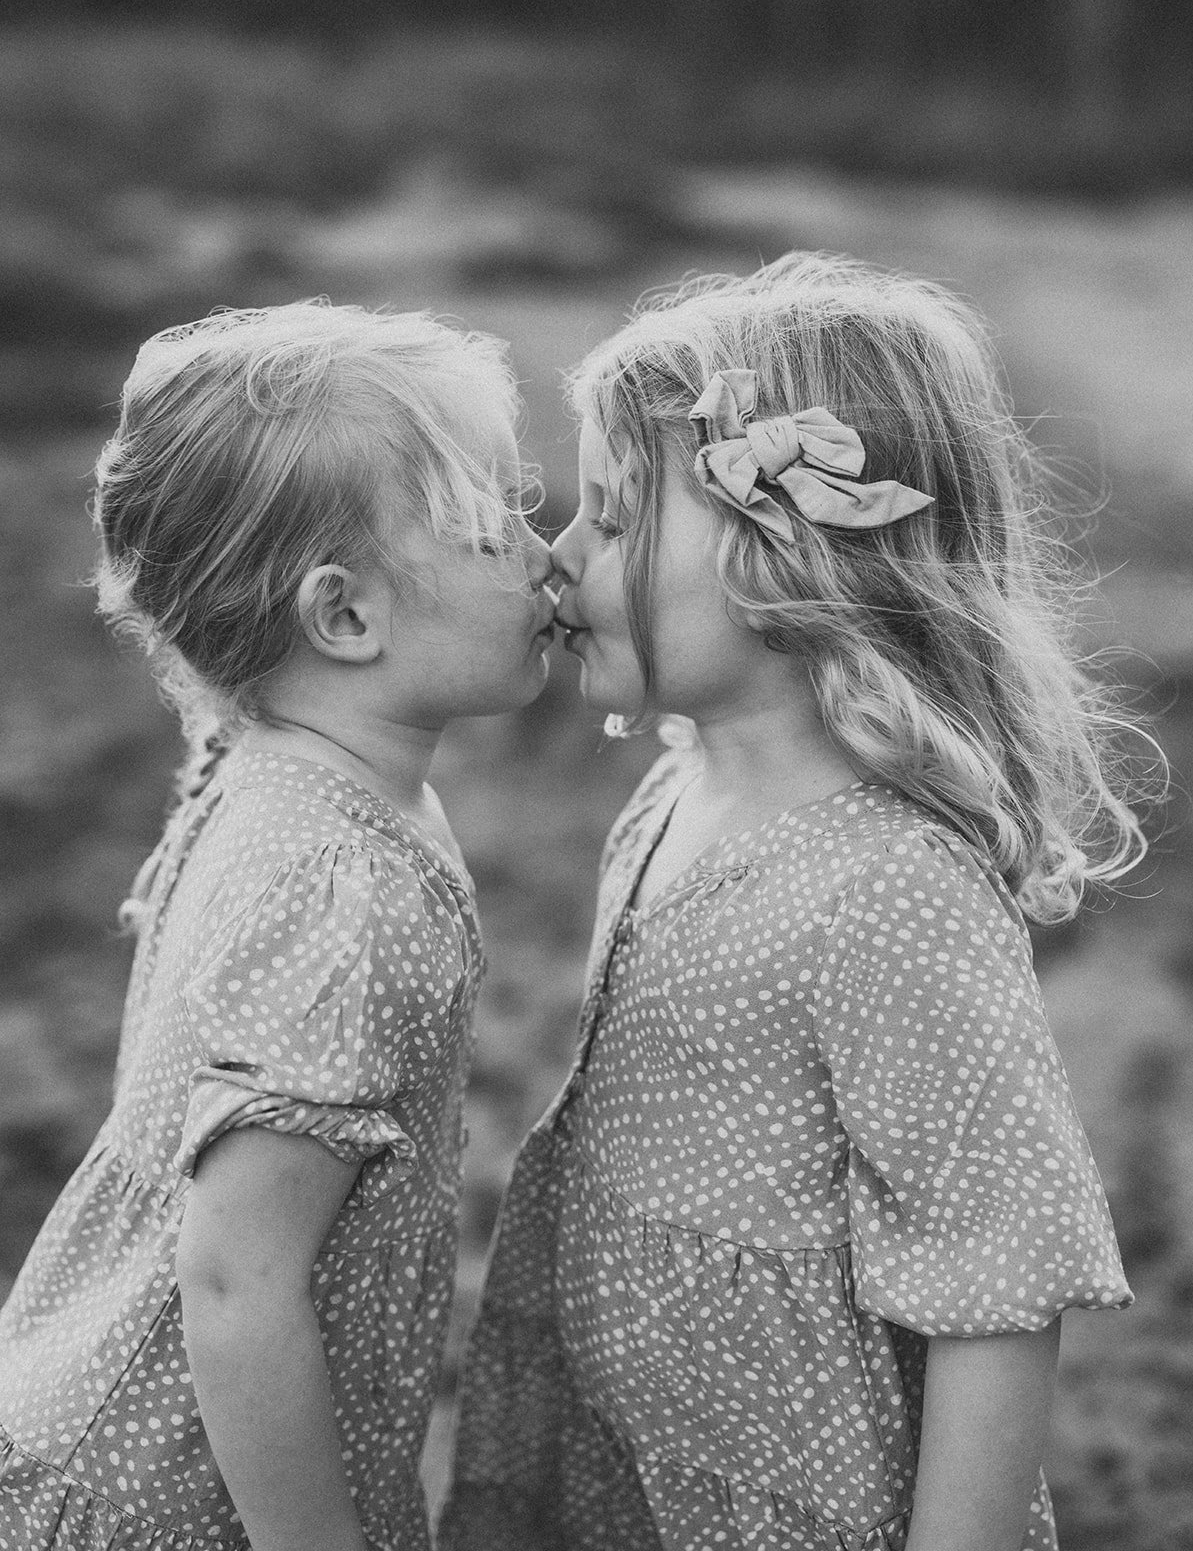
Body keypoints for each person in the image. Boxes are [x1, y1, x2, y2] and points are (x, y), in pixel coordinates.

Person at [442, 253, 1154, 1551]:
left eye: (610, 517)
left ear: (788, 550)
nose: (559, 554)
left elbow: (994, 1289)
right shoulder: (674, 793)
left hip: (807, 1504)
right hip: (643, 1467)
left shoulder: (889, 889)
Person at [0, 301, 555, 1551]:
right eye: (493, 523)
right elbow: (237, 1282)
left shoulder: (281, 767)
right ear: (344, 616)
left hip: (152, 1442)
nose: (543, 550)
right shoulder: (335, 881)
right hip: (180, 1499)